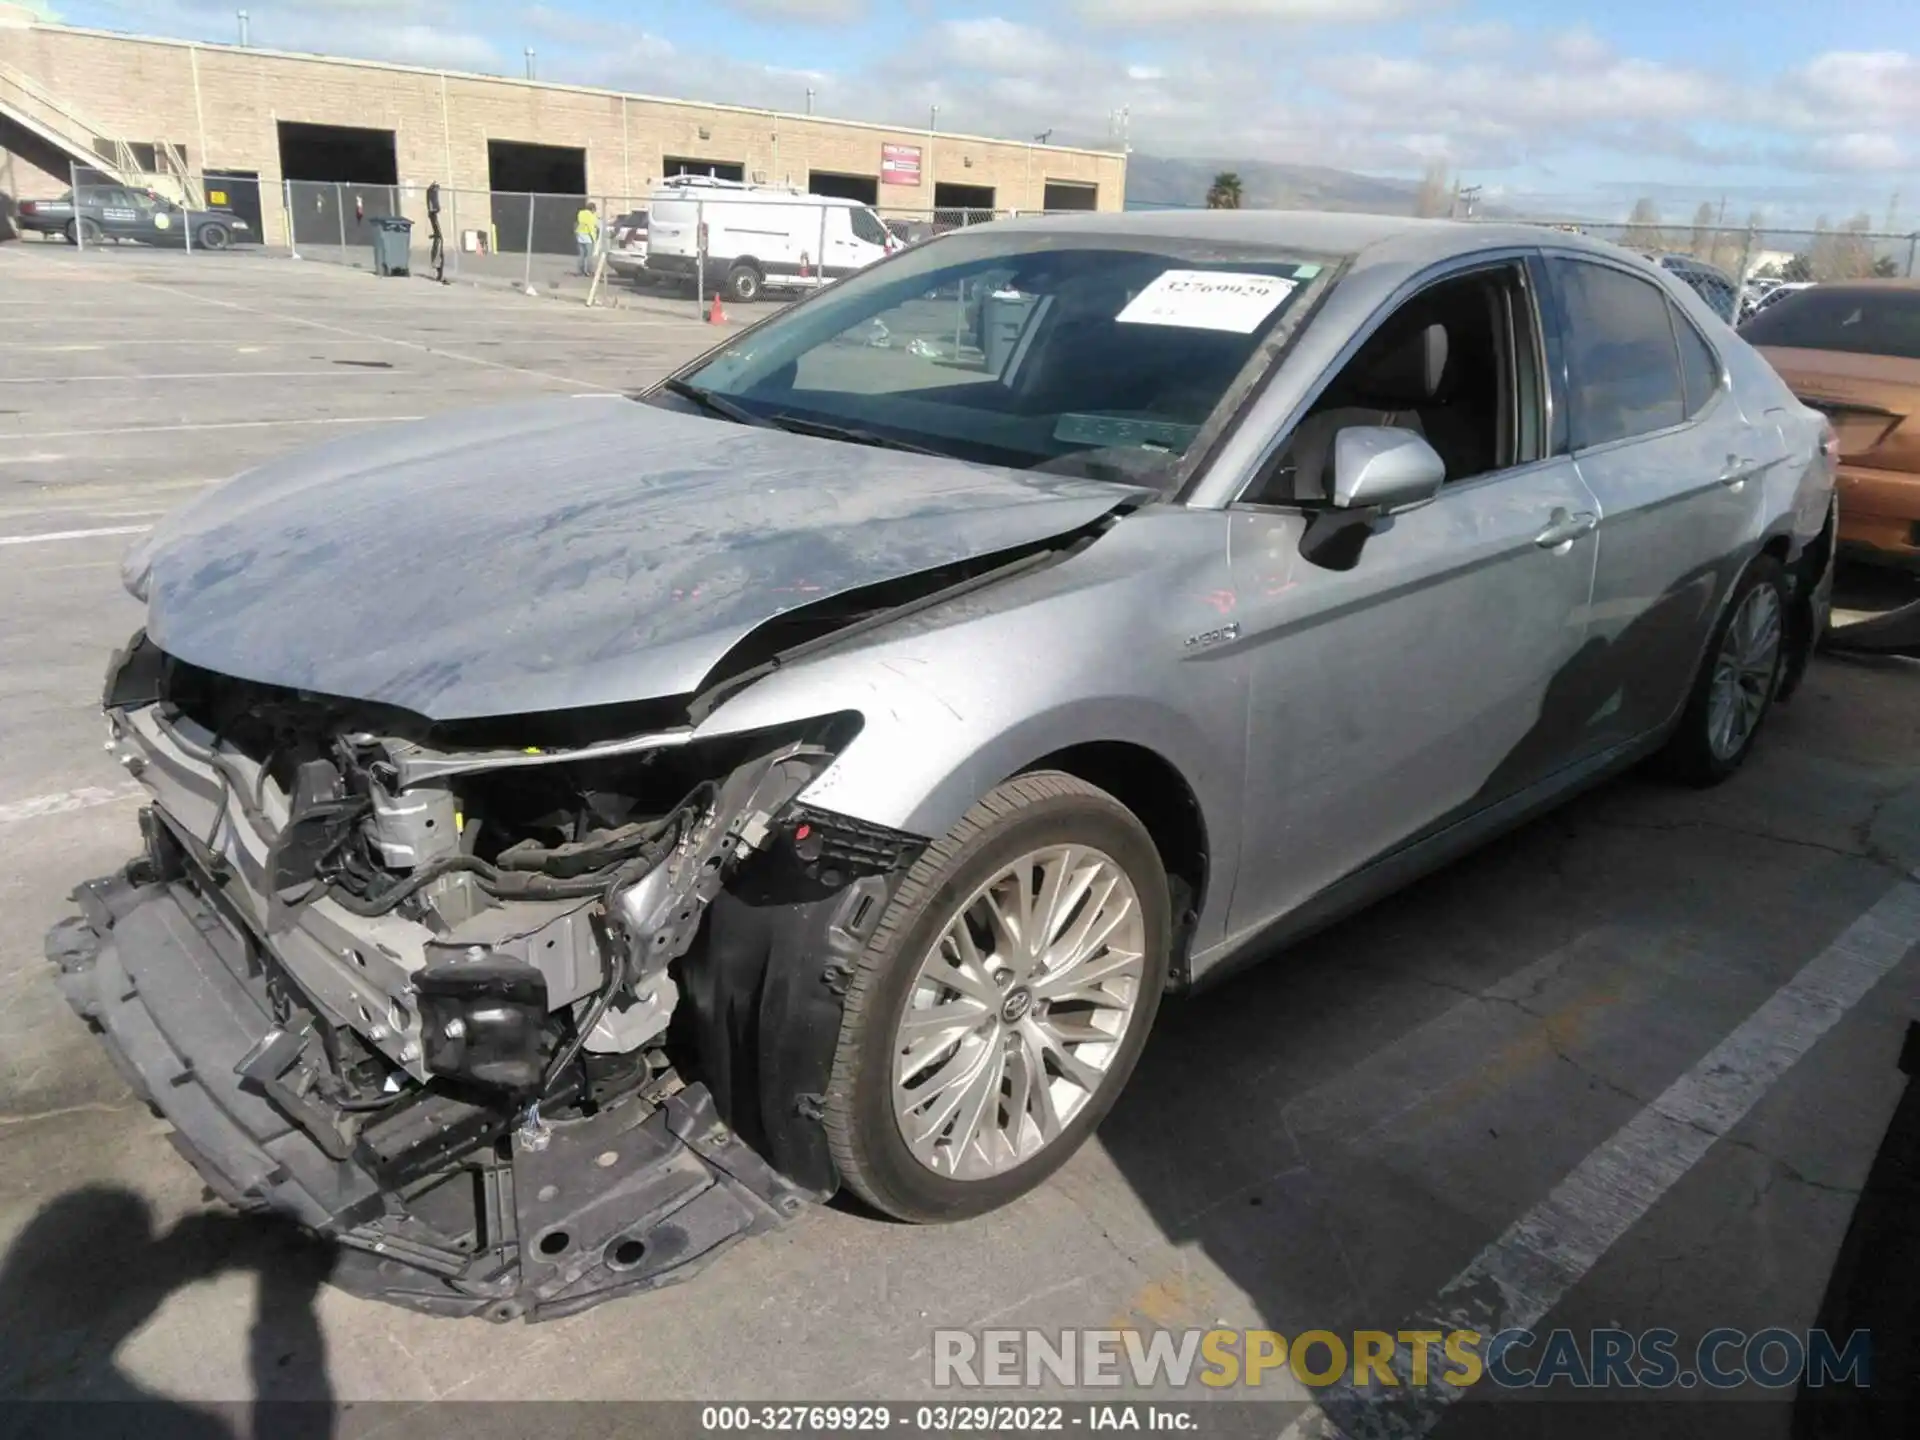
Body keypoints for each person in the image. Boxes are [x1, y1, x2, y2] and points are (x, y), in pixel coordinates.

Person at [575, 200, 600, 277]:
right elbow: (594, 226)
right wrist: (595, 236)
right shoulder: (592, 215)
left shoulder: (581, 213)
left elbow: (579, 222)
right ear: (592, 209)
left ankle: (580, 270)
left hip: (580, 235)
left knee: (582, 254)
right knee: (589, 255)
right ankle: (589, 271)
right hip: (588, 236)